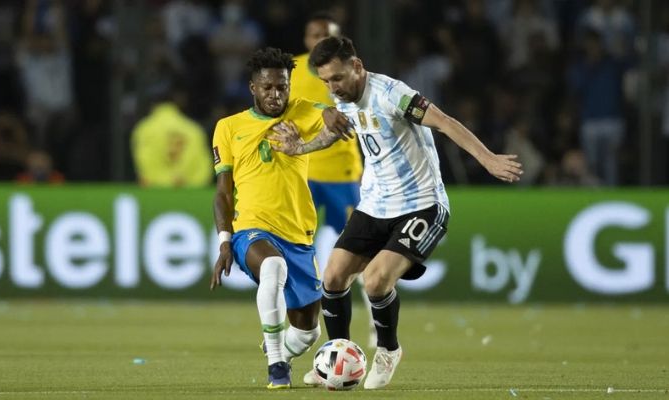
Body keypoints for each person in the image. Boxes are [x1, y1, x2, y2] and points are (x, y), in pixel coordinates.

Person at [270, 36, 523, 389]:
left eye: (338, 78)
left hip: (421, 204)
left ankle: (388, 350)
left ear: (357, 66)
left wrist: (488, 159)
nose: (332, 88)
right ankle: (337, 353)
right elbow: (337, 133)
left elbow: (446, 122)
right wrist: (301, 147)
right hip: (375, 204)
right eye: (326, 81)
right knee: (332, 278)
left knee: (375, 280)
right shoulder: (340, 98)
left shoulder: (393, 95)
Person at [209, 47, 350, 389]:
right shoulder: (229, 128)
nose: (276, 94)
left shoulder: (302, 111)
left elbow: (331, 114)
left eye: (282, 87)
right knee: (273, 268)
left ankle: (281, 350)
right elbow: (223, 193)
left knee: (307, 332)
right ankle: (276, 367)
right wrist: (225, 242)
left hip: (298, 233)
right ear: (252, 88)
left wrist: (332, 113)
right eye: (268, 87)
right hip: (251, 229)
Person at [289, 12, 377, 353]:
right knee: (296, 249)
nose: (318, 41)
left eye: (326, 36)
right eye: (314, 35)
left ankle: (374, 317)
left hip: (342, 174)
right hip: (305, 173)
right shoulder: (292, 72)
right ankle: (297, 323)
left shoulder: (350, 75)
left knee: (362, 252)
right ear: (306, 39)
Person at [131, 83, 213, 187]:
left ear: (152, 104)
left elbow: (144, 162)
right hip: (189, 195)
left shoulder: (144, 128)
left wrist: (160, 180)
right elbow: (204, 168)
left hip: (155, 192)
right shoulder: (193, 129)